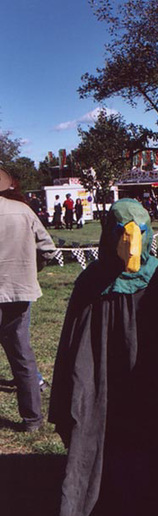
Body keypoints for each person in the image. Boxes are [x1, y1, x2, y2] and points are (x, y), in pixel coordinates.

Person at [49, 198, 158, 516]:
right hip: (102, 378)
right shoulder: (96, 280)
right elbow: (74, 341)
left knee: (153, 430)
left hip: (149, 376)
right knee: (99, 429)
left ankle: (157, 515)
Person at [0, 167, 56, 432]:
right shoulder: (24, 211)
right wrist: (31, 270)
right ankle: (32, 419)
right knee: (22, 356)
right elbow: (47, 249)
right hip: (19, 293)